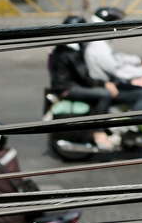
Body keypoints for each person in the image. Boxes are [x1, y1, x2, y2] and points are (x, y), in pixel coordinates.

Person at [49, 16, 119, 151]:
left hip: (65, 85)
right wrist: (104, 84)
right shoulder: (71, 52)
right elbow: (85, 78)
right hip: (68, 88)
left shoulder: (63, 46)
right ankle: (99, 132)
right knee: (105, 95)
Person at [83, 7, 142, 112]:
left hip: (109, 83)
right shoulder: (99, 47)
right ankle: (132, 126)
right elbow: (119, 70)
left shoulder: (100, 42)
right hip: (106, 86)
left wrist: (138, 60)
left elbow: (117, 56)